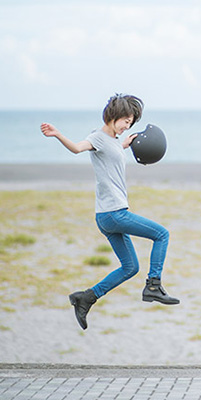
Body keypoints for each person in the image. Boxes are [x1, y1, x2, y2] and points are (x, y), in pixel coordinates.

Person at [41, 94, 179, 330]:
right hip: (115, 214)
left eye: (131, 122)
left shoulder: (113, 141)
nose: (128, 126)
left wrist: (124, 144)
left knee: (130, 267)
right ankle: (153, 285)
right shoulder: (97, 137)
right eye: (126, 120)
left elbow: (112, 151)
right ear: (113, 116)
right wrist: (58, 134)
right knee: (162, 234)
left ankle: (86, 298)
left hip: (105, 216)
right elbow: (77, 148)